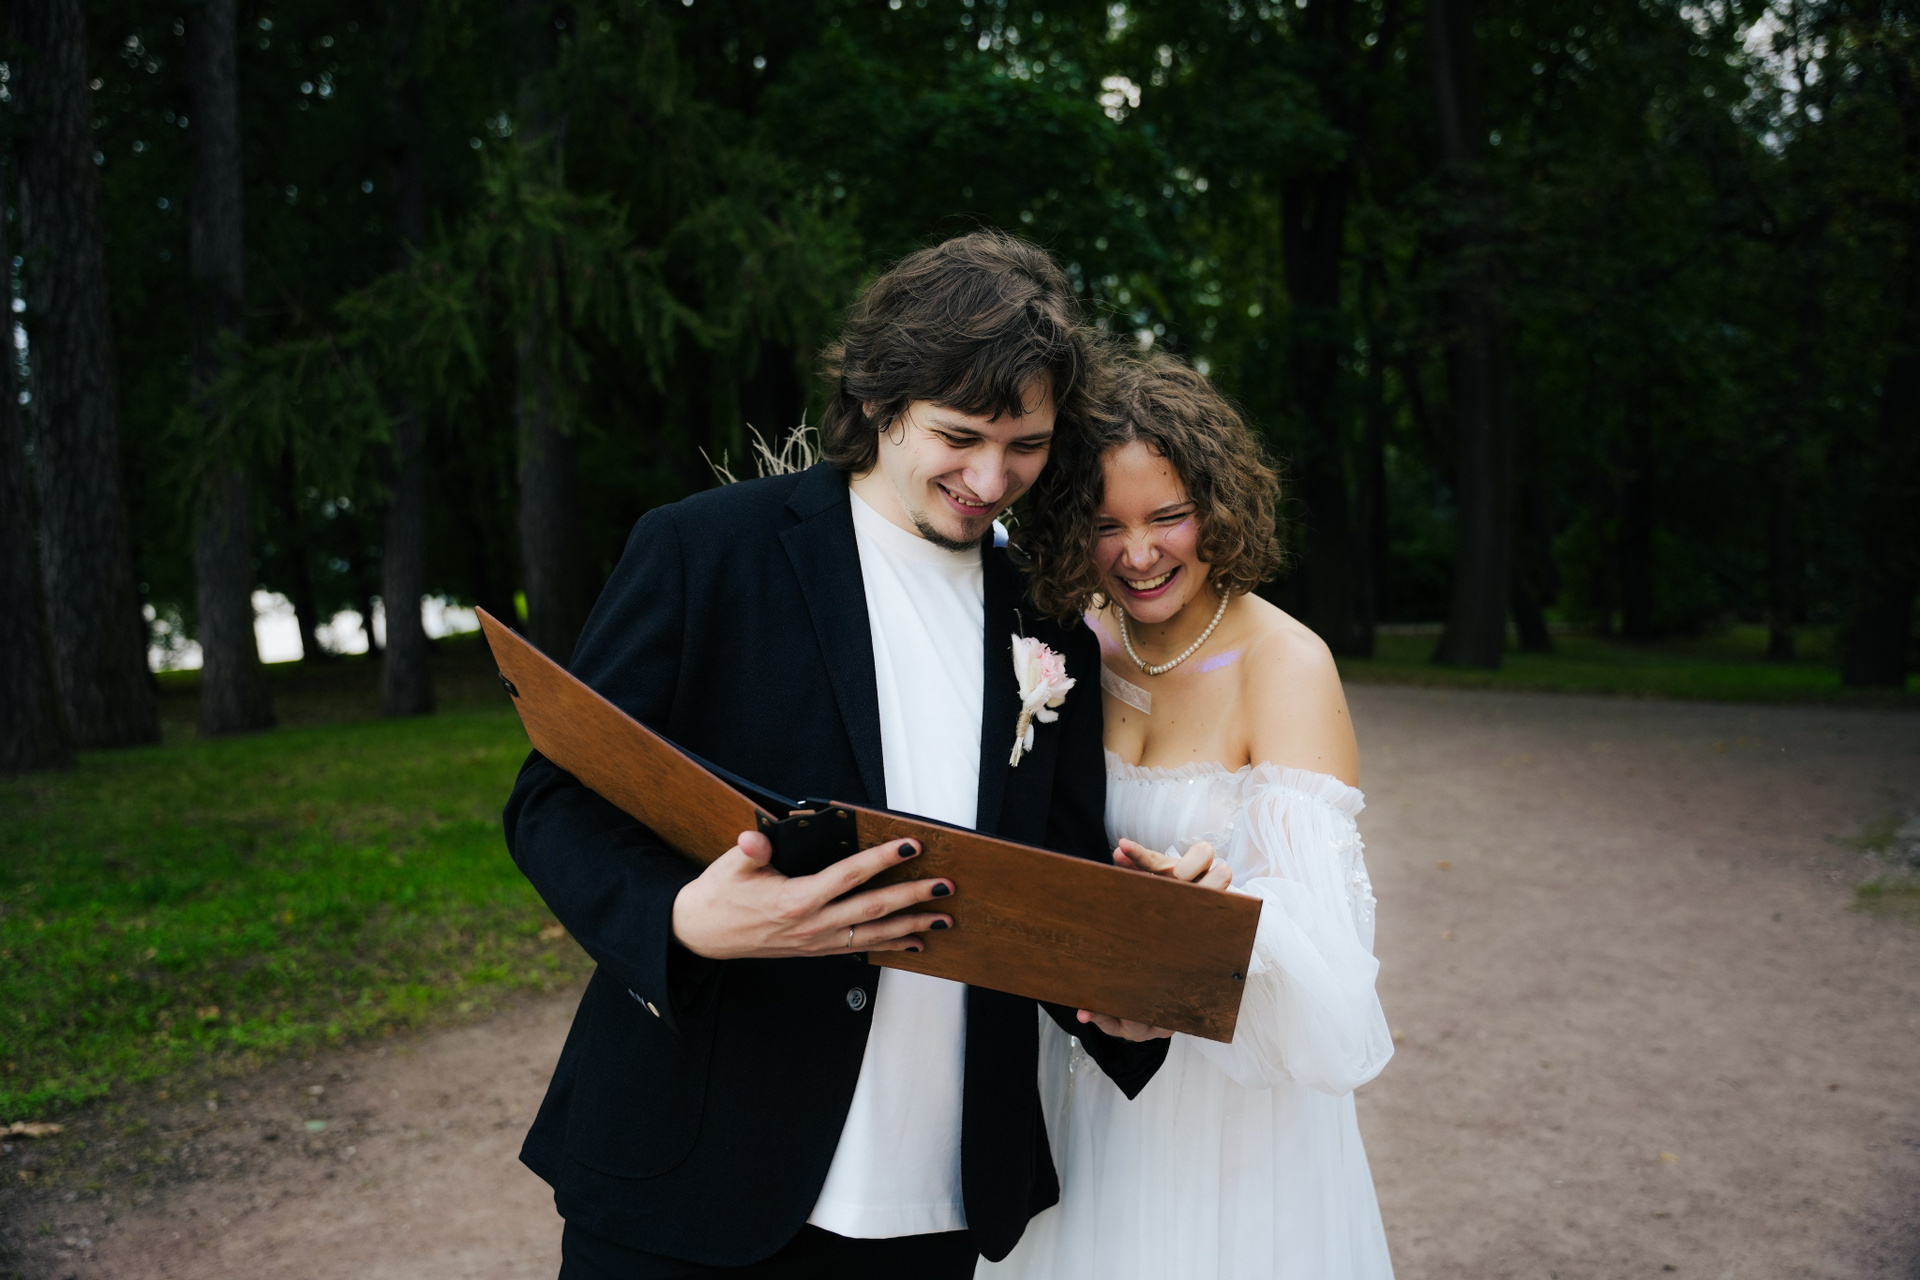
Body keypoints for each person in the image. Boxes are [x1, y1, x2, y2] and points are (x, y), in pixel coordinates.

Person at [503, 232, 1181, 1279]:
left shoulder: (1052, 627)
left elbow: (1046, 886)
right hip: (693, 1170)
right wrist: (681, 920)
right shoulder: (702, 549)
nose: (991, 477)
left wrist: (1129, 994)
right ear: (876, 397)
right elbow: (554, 798)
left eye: (1027, 445)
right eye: (959, 435)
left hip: (936, 1197)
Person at [982, 352, 1396, 1280]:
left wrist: (1212, 914)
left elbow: (1326, 935)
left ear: (1219, 504)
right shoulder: (1062, 643)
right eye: (1106, 526)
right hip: (1072, 1062)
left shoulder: (1284, 664)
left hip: (1223, 1100)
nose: (1138, 555)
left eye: (1168, 517)